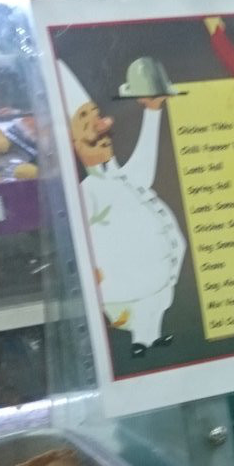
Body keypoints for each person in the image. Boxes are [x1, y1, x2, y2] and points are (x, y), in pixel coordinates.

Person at [59, 62, 186, 358]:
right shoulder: (86, 192)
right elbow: (76, 235)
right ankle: (140, 342)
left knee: (152, 306)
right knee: (135, 305)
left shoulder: (121, 177)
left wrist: (153, 112)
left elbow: (144, 165)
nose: (101, 124)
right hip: (121, 283)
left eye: (95, 114)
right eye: (84, 118)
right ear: (72, 142)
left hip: (156, 279)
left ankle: (150, 337)